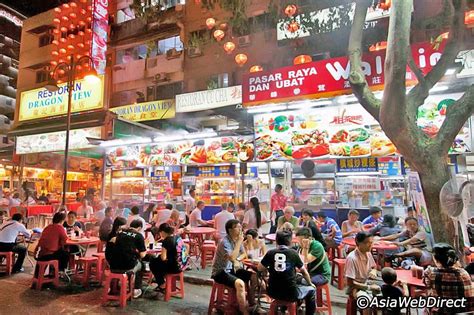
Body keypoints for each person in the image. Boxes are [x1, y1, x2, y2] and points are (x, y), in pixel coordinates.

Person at [258, 230, 316, 315]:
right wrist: (310, 283)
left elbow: (259, 268)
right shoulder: (293, 253)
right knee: (311, 290)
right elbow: (304, 271)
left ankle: (282, 310)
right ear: (290, 241)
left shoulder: (270, 253)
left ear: (276, 241)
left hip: (272, 292)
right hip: (290, 294)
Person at [211, 219, 258, 315]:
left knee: (254, 276)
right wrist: (239, 244)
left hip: (232, 269)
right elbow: (232, 257)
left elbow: (243, 254)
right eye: (237, 227)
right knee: (240, 283)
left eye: (240, 227)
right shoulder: (224, 242)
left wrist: (237, 260)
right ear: (230, 230)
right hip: (220, 271)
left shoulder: (237, 240)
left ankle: (252, 303)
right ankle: (243, 311)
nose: (240, 229)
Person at [424, 243, 474, 314]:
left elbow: (427, 285)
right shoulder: (464, 273)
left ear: (435, 258)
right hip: (466, 312)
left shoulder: (430, 273)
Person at [105, 219, 146, 299]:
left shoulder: (120, 233)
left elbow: (113, 244)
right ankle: (137, 289)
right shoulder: (139, 236)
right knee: (141, 265)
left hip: (113, 266)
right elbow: (142, 255)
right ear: (140, 228)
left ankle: (113, 287)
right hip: (127, 267)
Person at [149, 223, 188, 291]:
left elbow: (163, 258)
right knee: (157, 263)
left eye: (160, 233)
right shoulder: (177, 237)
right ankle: (160, 279)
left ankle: (161, 284)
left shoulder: (167, 240)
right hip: (182, 264)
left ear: (163, 232)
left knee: (153, 263)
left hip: (174, 267)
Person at [345, 231, 380, 307]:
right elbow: (350, 283)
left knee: (385, 297)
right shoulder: (352, 258)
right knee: (366, 302)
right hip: (355, 287)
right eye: (366, 243)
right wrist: (369, 287)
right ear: (358, 243)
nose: (370, 245)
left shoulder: (368, 253)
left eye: (371, 242)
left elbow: (374, 266)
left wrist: (374, 271)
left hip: (366, 282)